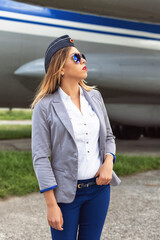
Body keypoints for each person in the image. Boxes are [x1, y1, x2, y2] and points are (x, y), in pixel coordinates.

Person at [31, 34, 121, 240]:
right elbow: (40, 157)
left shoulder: (95, 97)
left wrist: (109, 161)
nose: (84, 61)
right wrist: (51, 204)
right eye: (76, 58)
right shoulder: (44, 107)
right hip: (65, 196)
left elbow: (108, 136)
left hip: (98, 191)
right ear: (61, 68)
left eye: (83, 56)